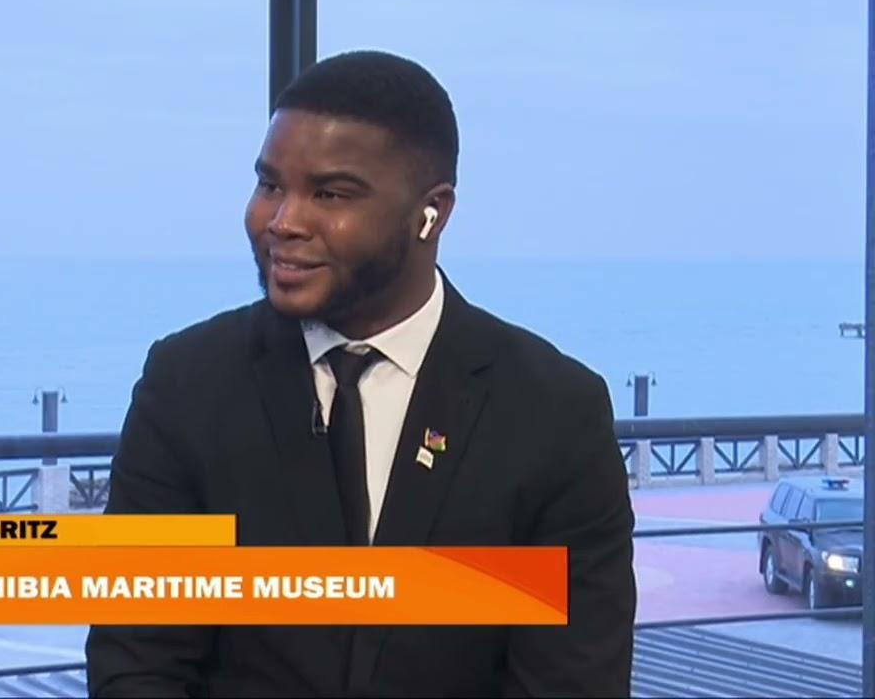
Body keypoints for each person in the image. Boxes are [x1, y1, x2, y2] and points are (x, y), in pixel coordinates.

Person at [85, 49, 636, 698]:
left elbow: (573, 681)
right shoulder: (187, 384)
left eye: (330, 194)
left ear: (431, 213)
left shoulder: (554, 415)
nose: (282, 223)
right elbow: (138, 661)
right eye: (270, 186)